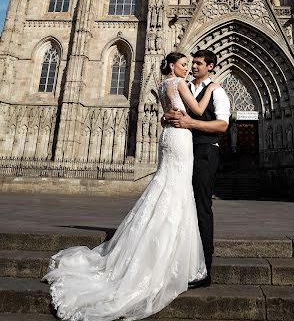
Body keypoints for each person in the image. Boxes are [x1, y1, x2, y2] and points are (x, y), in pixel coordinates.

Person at [43, 52, 220, 321]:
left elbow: (166, 114)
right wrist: (211, 88)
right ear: (173, 65)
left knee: (166, 188)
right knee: (177, 192)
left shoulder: (164, 85)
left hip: (169, 137)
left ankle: (156, 244)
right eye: (184, 64)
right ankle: (172, 255)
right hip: (181, 139)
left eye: (192, 64)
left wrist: (167, 117)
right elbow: (196, 110)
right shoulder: (181, 84)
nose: (188, 68)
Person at [165, 49, 230, 288]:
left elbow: (222, 125)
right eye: (192, 63)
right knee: (181, 206)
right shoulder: (182, 86)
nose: (193, 67)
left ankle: (204, 270)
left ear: (210, 67)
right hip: (182, 151)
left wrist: (191, 123)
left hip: (205, 152)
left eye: (199, 64)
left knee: (202, 207)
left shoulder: (218, 91)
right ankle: (179, 262)